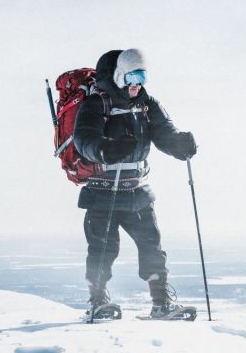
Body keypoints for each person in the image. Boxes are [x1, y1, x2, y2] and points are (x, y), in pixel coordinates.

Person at [73, 48, 198, 319]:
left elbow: (164, 131)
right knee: (103, 249)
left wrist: (179, 145)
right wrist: (106, 149)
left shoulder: (147, 103)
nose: (136, 84)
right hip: (102, 190)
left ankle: (160, 302)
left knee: (152, 245)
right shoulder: (96, 104)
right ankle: (97, 301)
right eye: (131, 77)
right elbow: (84, 139)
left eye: (141, 76)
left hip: (137, 191)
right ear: (119, 76)